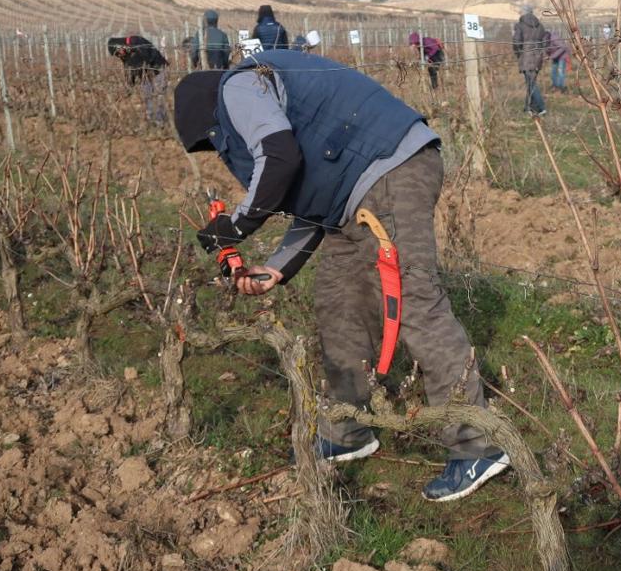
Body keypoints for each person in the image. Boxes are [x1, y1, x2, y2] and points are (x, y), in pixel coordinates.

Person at [172, 50, 510, 502]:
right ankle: (348, 431)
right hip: (357, 189)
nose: (217, 149)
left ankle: (477, 446)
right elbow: (312, 197)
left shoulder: (236, 87)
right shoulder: (261, 93)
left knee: (414, 302)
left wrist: (234, 227)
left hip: (390, 172)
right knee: (338, 303)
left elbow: (278, 157)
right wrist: (275, 267)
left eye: (211, 142)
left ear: (205, 118)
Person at [107, 35, 169, 123]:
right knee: (147, 96)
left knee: (160, 95)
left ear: (120, 46)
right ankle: (152, 120)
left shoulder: (136, 41)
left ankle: (161, 120)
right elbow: (128, 68)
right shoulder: (126, 52)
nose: (119, 55)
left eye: (118, 52)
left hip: (157, 69)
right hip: (144, 75)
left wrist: (134, 60)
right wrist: (129, 84)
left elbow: (145, 58)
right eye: (117, 55)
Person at [512, 6, 550, 117]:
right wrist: (542, 53)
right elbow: (546, 42)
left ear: (523, 13)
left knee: (531, 84)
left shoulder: (520, 25)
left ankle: (541, 107)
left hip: (526, 57)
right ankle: (529, 108)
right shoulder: (540, 26)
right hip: (538, 58)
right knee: (531, 83)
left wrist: (519, 53)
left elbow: (516, 42)